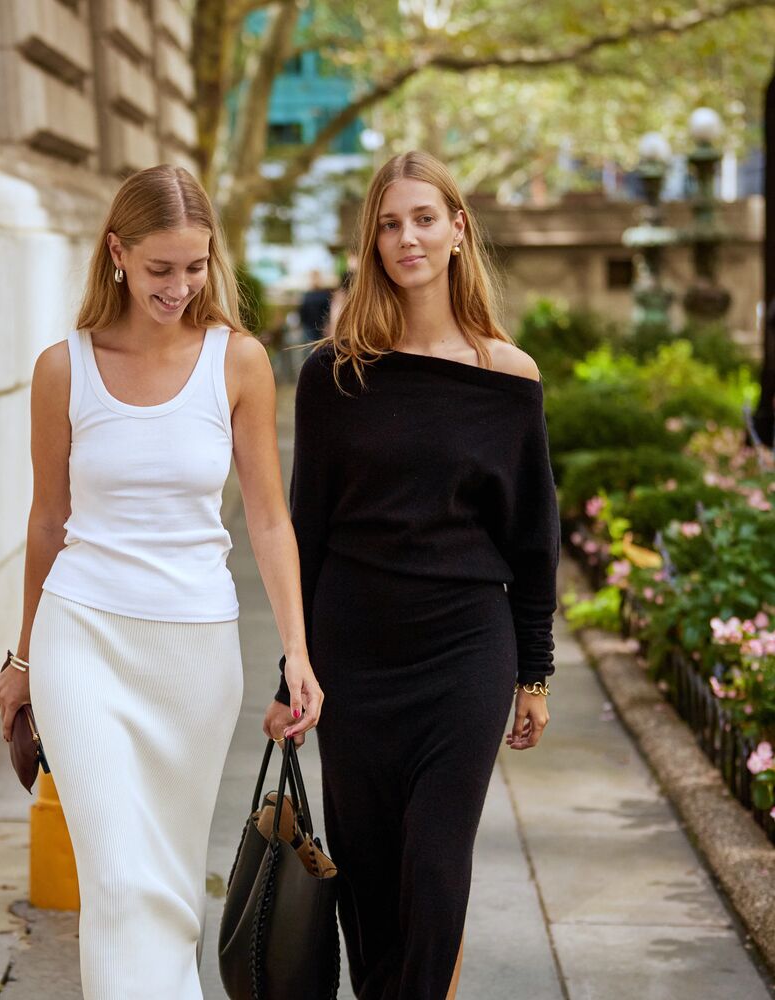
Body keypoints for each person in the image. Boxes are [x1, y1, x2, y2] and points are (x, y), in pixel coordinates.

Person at [0, 164, 323, 1000]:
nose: (179, 287)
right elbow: (46, 522)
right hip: (84, 639)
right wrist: (24, 661)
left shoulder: (238, 363)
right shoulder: (62, 369)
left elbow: (269, 519)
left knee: (170, 888)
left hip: (196, 651)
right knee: (116, 880)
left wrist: (297, 651)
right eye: (159, 269)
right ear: (117, 255)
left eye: (195, 267)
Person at [263, 150, 559, 999]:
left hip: (466, 649)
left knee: (434, 874)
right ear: (372, 242)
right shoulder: (333, 374)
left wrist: (532, 670)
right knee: (366, 884)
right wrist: (292, 670)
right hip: (355, 654)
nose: (408, 238)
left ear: (459, 230)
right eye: (389, 224)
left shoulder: (510, 379)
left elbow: (534, 539)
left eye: (425, 218)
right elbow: (303, 531)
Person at [298, 269, 333, 342]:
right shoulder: (307, 295)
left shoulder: (324, 294)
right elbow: (302, 311)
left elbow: (329, 311)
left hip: (321, 327)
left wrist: (328, 324)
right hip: (310, 327)